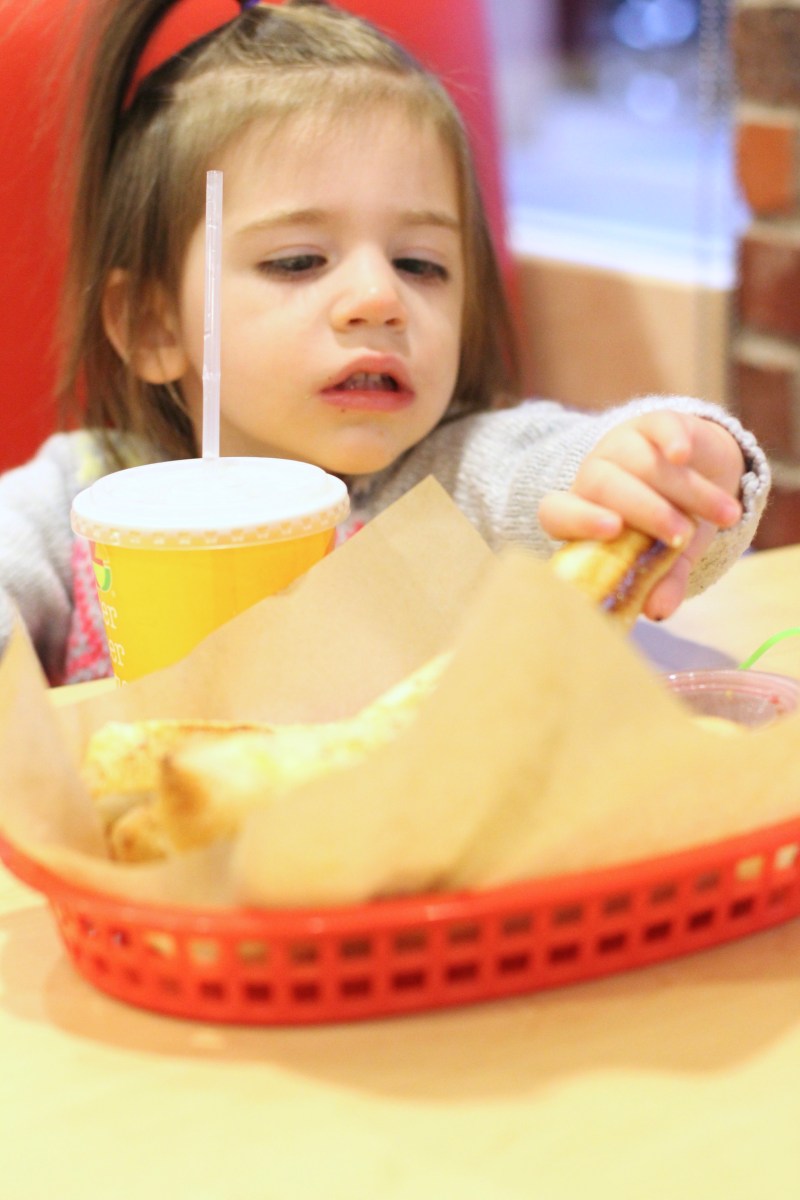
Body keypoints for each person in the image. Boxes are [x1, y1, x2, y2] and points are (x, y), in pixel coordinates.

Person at [0, 0, 769, 685]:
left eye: (419, 265)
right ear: (153, 325)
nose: (380, 299)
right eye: (299, 261)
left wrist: (670, 468)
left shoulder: (461, 477)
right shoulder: (82, 492)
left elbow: (565, 477)